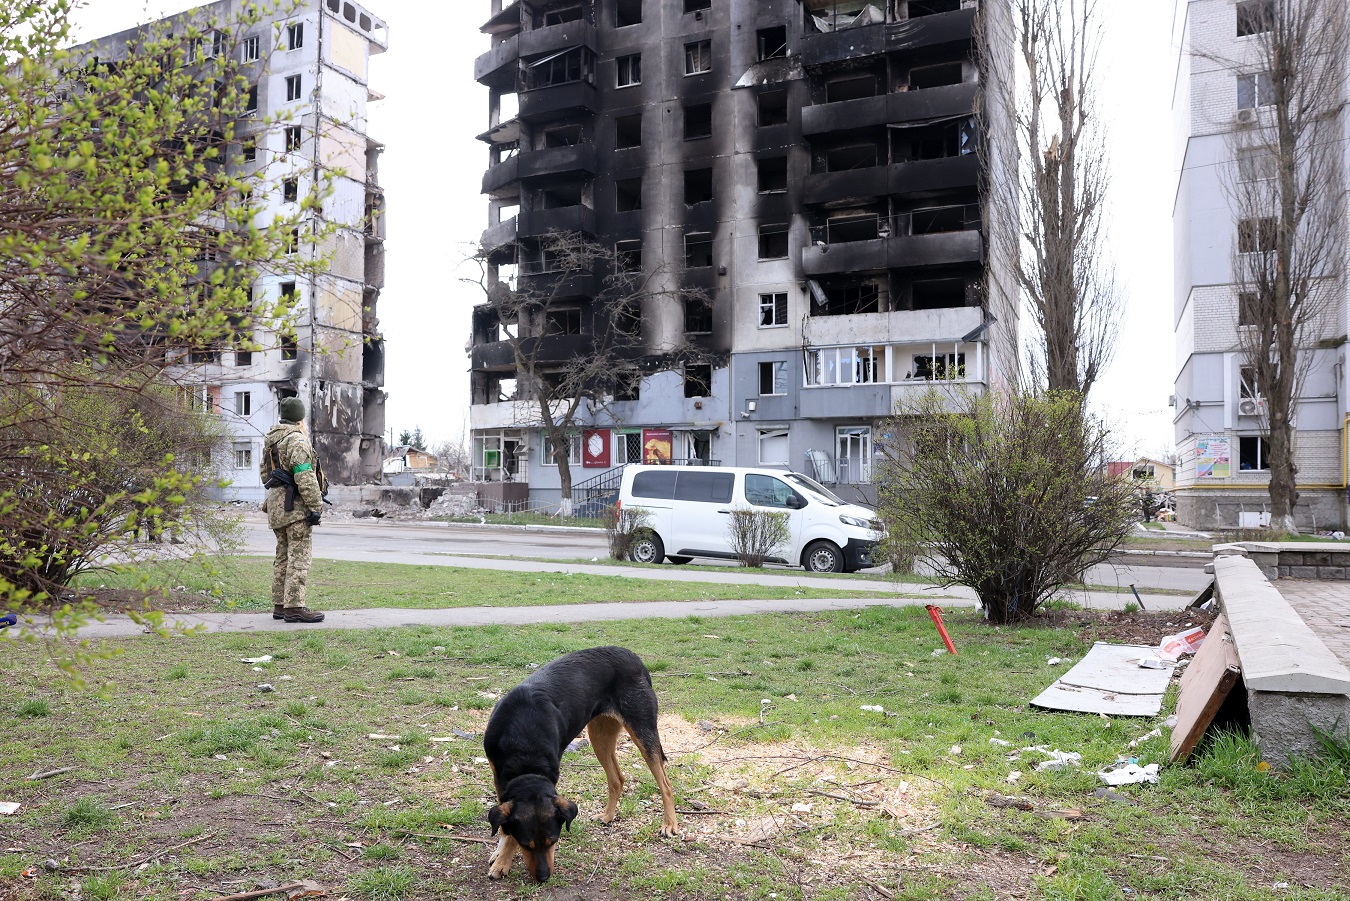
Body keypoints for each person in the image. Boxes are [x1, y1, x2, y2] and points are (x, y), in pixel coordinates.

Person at [260, 396, 326, 623]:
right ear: (300, 418)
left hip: (276, 508)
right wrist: (315, 506)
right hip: (296, 508)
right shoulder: (297, 440)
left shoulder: (271, 441)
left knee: (282, 558)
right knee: (298, 558)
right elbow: (305, 475)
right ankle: (295, 607)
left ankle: (280, 605)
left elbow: (264, 475)